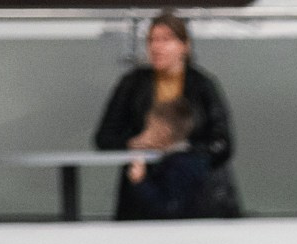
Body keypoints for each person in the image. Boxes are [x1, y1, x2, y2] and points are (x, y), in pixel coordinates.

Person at [93, 10, 238, 221]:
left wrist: (178, 150)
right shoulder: (132, 84)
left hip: (196, 193)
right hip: (142, 192)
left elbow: (222, 143)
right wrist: (135, 143)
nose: (157, 47)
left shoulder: (202, 85)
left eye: (166, 40)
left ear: (184, 46)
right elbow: (104, 137)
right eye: (152, 40)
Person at [118, 99, 212, 220]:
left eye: (148, 128)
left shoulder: (179, 166)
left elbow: (167, 208)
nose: (144, 134)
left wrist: (140, 181)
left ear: (163, 133)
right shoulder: (189, 161)